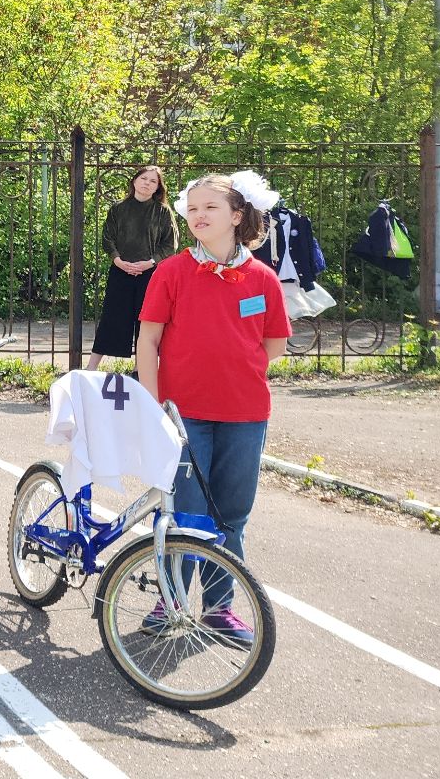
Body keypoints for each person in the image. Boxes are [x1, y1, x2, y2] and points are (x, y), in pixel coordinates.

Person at [136, 171, 290, 644]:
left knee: (231, 516)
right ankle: (171, 601)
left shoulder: (262, 278)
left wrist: (235, 374)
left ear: (237, 216)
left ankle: (220, 609)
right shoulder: (173, 271)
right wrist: (156, 403)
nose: (198, 216)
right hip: (183, 415)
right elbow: (148, 341)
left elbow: (275, 345)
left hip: (245, 416)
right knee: (186, 514)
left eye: (210, 208)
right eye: (193, 209)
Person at [89, 165, 177, 370]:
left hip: (151, 275)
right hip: (120, 272)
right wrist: (118, 260)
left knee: (146, 321)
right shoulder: (118, 209)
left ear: (158, 187)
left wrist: (150, 262)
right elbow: (107, 238)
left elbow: (170, 244)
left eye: (153, 181)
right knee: (112, 318)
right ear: (134, 181)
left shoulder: (163, 212)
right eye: (144, 178)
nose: (147, 183)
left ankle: (140, 371)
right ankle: (91, 369)